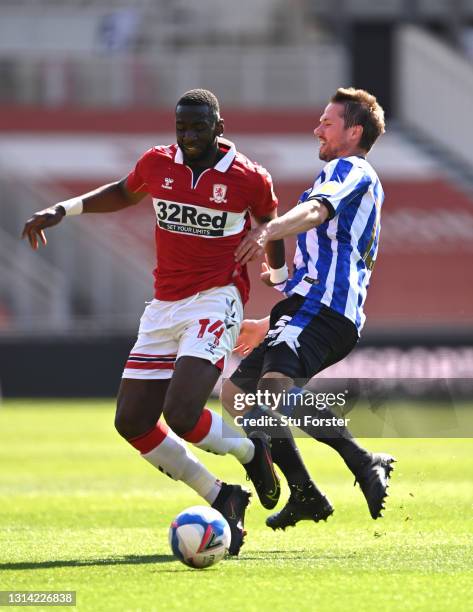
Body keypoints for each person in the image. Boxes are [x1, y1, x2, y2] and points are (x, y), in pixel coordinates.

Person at [21, 89, 285, 555]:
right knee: (132, 421)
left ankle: (251, 451)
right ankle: (222, 494)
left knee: (181, 412)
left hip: (216, 298)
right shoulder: (159, 163)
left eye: (198, 127)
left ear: (218, 128)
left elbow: (271, 219)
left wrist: (278, 271)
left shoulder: (248, 177)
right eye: (181, 127)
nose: (188, 135)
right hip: (164, 305)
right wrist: (63, 209)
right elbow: (123, 192)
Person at [221, 87, 395, 530]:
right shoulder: (334, 175)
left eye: (327, 122)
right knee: (237, 397)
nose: (317, 129)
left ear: (353, 132)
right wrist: (275, 311)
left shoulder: (350, 168)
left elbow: (316, 213)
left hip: (326, 308)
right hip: (310, 307)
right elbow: (314, 238)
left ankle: (362, 460)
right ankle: (306, 494)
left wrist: (269, 229)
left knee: (270, 395)